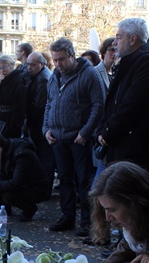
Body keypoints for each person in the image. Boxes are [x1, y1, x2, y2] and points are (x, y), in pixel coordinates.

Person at [44, 37, 105, 233]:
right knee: (64, 179)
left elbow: (98, 105)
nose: (58, 64)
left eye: (61, 59)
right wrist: (46, 128)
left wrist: (86, 132)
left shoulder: (89, 75)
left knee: (84, 181)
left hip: (78, 137)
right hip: (57, 136)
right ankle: (67, 216)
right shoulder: (55, 76)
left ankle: (87, 221)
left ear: (72, 55)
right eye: (55, 60)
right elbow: (49, 103)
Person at [96, 18, 149, 177]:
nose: (115, 42)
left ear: (132, 39)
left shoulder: (147, 62)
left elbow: (132, 105)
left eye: (118, 37)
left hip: (135, 150)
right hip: (123, 146)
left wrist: (108, 132)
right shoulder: (132, 62)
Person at [0, 134, 50, 222]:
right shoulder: (6, 152)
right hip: (26, 185)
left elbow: (16, 182)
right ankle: (2, 207)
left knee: (7, 194)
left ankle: (29, 208)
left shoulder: (22, 155)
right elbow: (0, 178)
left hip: (37, 188)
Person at [25, 52, 55, 194]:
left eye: (32, 65)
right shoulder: (40, 76)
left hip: (41, 124)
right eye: (28, 64)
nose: (29, 67)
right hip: (40, 123)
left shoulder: (43, 79)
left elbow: (39, 106)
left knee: (45, 157)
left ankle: (44, 188)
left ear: (41, 64)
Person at [0, 55, 27, 138]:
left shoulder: (18, 82)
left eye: (4, 67)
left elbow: (19, 108)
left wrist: (14, 126)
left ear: (11, 65)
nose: (2, 70)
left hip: (9, 121)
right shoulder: (1, 79)